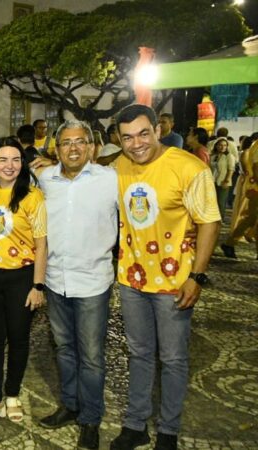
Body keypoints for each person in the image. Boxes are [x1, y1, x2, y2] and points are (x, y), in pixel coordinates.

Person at [110, 104, 220, 450]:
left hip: (174, 283)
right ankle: (135, 424)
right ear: (119, 140)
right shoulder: (118, 166)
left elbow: (210, 222)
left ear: (158, 130)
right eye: (127, 137)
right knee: (139, 354)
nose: (136, 143)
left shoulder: (189, 168)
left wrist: (197, 277)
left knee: (173, 358)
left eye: (144, 133)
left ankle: (168, 431)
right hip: (131, 280)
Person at [32, 120, 118, 450]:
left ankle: (91, 419)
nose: (73, 148)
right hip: (55, 279)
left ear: (92, 147)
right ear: (56, 148)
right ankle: (70, 405)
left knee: (93, 355)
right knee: (64, 349)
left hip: (93, 281)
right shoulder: (44, 179)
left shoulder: (109, 180)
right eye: (66, 143)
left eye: (80, 142)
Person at [0, 137, 46, 429]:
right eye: (2, 159)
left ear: (23, 163)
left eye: (16, 159)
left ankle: (12, 393)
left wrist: (38, 286)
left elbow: (42, 244)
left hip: (22, 277)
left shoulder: (32, 197)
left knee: (18, 339)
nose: (9, 165)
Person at [221, 137, 258, 259]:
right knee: (251, 218)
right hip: (256, 188)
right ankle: (229, 243)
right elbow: (256, 169)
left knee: (252, 218)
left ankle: (230, 243)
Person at [210, 138, 236, 218]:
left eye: (225, 145)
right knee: (212, 201)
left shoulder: (229, 156)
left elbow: (231, 169)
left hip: (222, 181)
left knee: (221, 202)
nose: (223, 147)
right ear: (216, 146)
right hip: (212, 181)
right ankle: (213, 219)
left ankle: (220, 219)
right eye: (220, 145)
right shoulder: (213, 156)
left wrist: (226, 180)